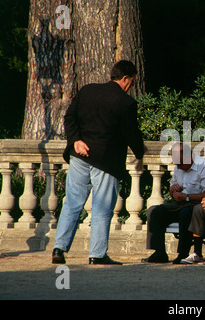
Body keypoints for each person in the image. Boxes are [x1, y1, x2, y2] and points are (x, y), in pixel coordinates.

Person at [52, 60, 146, 265]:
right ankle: (97, 254)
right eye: (131, 81)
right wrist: (140, 152)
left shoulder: (87, 91)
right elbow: (131, 134)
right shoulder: (125, 102)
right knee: (102, 207)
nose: (131, 86)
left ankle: (59, 248)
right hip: (106, 160)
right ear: (125, 79)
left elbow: (69, 117)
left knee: (72, 203)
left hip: (80, 155)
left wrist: (75, 140)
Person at [143, 143, 205, 264]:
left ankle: (183, 253)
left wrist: (186, 197)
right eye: (176, 163)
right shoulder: (179, 166)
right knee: (154, 211)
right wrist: (173, 190)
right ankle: (159, 252)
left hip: (196, 205)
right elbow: (173, 189)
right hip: (179, 203)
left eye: (180, 164)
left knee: (185, 213)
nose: (178, 167)